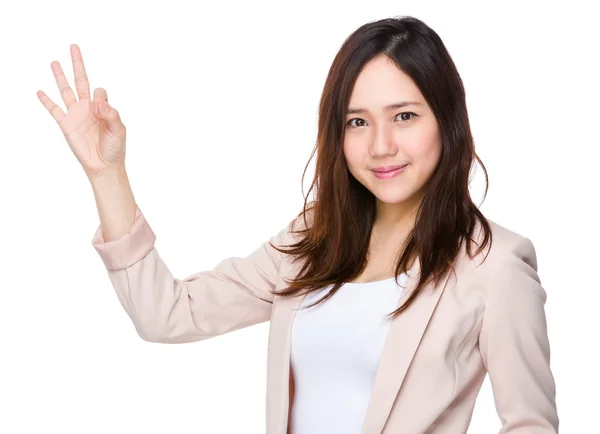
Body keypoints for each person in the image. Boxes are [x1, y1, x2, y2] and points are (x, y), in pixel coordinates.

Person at [37, 15, 559, 434]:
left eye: (404, 115)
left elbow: (530, 424)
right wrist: (107, 174)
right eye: (358, 121)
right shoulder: (314, 240)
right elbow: (167, 316)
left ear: (447, 121)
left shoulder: (494, 266)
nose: (380, 145)